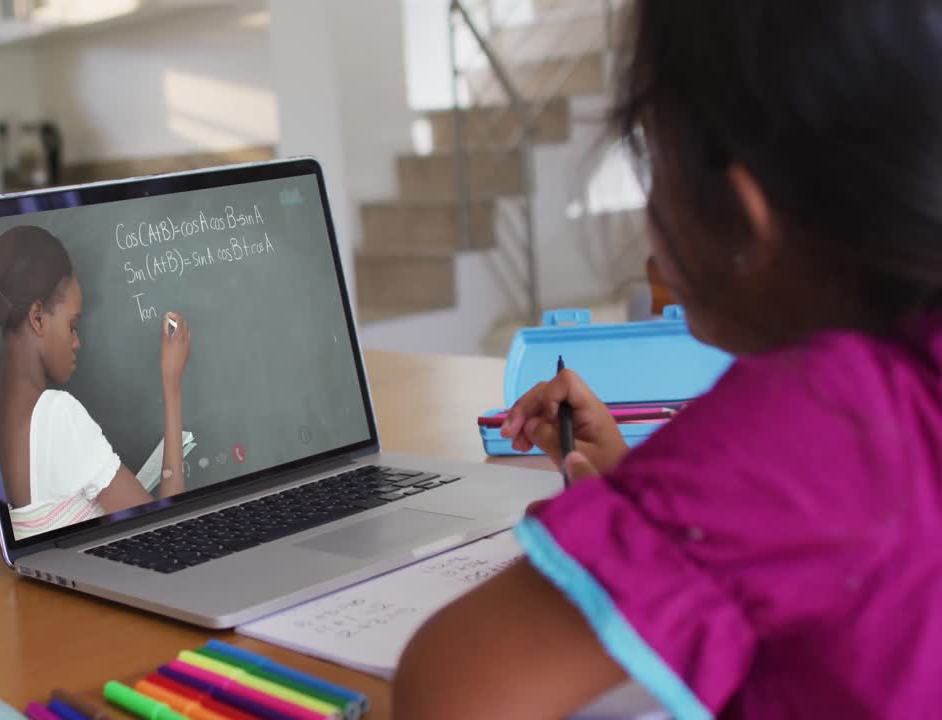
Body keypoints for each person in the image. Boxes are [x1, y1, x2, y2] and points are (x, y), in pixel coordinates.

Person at [394, 1, 942, 717]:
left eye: (652, 159)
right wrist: (640, 496)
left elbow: (448, 692)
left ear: (744, 214)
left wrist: (655, 516)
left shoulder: (815, 419)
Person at [0, 226, 191, 540]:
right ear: (37, 318)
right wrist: (172, 382)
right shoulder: (57, 416)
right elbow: (167, 530)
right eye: (72, 325)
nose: (78, 342)